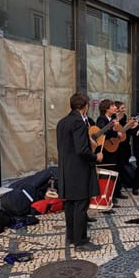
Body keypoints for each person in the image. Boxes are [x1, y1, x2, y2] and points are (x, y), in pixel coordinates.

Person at [56, 93, 103, 252]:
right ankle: (80, 242)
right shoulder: (78, 123)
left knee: (70, 204)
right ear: (84, 107)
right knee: (81, 205)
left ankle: (71, 236)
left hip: (66, 169)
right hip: (79, 171)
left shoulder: (62, 122)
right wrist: (96, 156)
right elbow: (82, 150)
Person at [96, 99, 128, 202]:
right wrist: (115, 133)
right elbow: (102, 131)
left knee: (117, 170)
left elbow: (119, 128)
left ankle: (116, 192)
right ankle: (108, 196)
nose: (115, 107)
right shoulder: (101, 119)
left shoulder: (114, 118)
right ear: (106, 109)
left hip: (115, 148)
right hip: (105, 149)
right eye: (112, 106)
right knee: (108, 171)